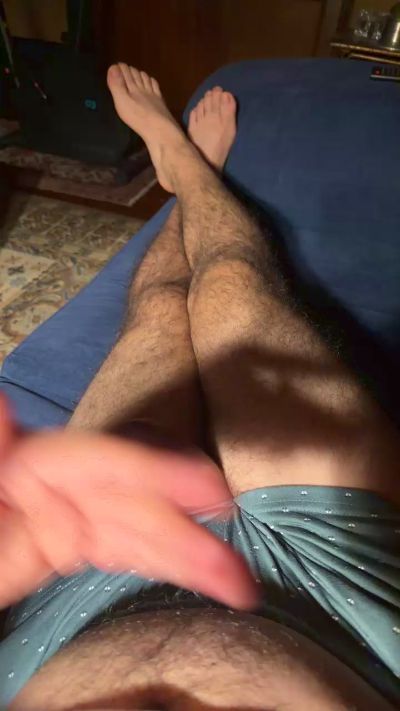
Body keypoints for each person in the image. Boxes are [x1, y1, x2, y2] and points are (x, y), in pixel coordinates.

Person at [0, 63, 399, 710]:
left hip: (63, 592)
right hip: (349, 599)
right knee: (230, 279)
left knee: (165, 308)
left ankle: (185, 172)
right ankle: (190, 167)